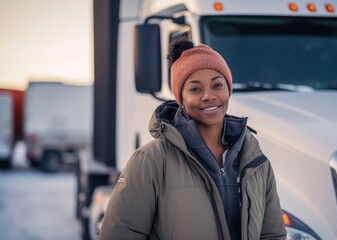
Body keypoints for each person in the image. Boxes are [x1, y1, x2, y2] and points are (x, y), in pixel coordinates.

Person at [99, 38, 286, 240]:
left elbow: (272, 235)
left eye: (217, 85)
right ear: (181, 98)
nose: (209, 95)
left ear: (228, 91)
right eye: (195, 89)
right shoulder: (150, 161)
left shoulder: (256, 161)